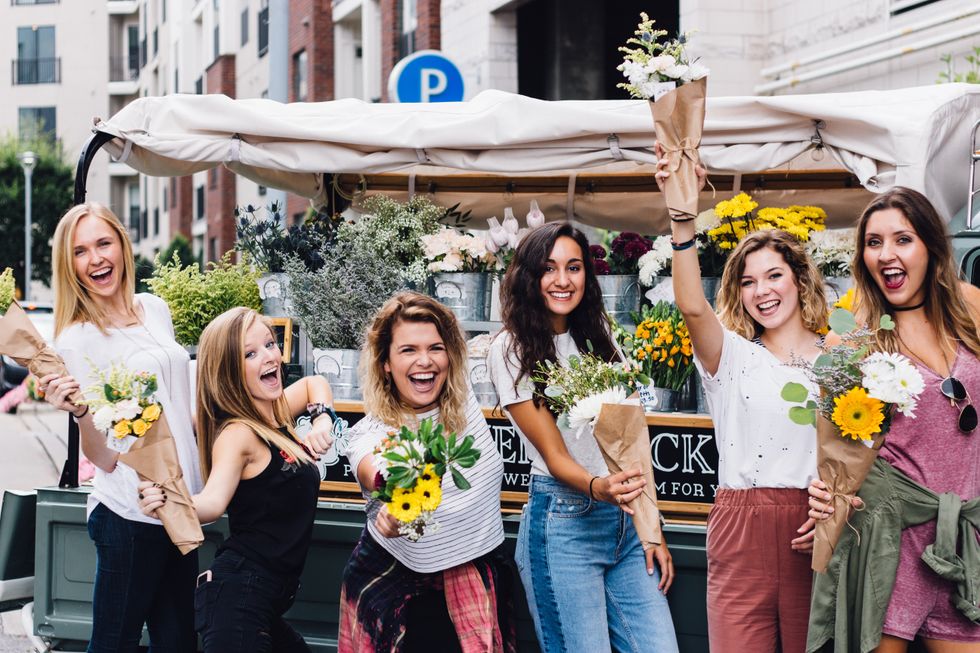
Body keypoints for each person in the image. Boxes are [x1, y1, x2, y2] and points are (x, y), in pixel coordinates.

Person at [657, 152, 828, 652]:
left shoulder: (841, 357)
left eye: (774, 275)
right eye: (748, 281)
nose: (762, 291)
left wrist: (836, 509)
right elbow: (691, 304)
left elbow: (863, 448)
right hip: (739, 521)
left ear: (798, 278)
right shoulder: (730, 356)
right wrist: (681, 218)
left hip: (811, 524)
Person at [487, 222, 679, 653]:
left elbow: (630, 441)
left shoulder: (600, 335)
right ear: (529, 276)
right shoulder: (511, 349)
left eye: (573, 268)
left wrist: (653, 529)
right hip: (564, 521)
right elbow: (554, 455)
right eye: (549, 268)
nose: (562, 280)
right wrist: (599, 488)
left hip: (626, 525)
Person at [806, 186, 980, 653]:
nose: (886, 254)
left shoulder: (972, 308)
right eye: (873, 242)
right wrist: (827, 491)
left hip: (967, 537)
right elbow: (837, 449)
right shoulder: (852, 338)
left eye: (902, 239)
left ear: (930, 246)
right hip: (889, 540)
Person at [40, 202, 201, 652]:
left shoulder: (155, 308)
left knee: (179, 644)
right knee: (114, 644)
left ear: (123, 246)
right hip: (129, 513)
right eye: (81, 251)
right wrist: (78, 413)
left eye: (103, 243)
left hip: (179, 504)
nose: (96, 259)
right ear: (69, 266)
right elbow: (104, 456)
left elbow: (180, 407)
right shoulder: (77, 339)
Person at [138, 306, 334, 652]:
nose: (269, 356)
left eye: (270, 344)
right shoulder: (239, 433)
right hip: (240, 598)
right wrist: (168, 502)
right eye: (250, 353)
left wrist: (322, 419)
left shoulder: (274, 413)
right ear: (230, 371)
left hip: (264, 600)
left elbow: (314, 384)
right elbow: (212, 503)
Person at [338, 291, 513, 653]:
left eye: (435, 347)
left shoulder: (466, 411)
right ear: (385, 362)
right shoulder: (369, 433)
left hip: (474, 585)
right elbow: (375, 469)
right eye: (407, 350)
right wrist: (390, 503)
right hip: (396, 595)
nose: (425, 361)